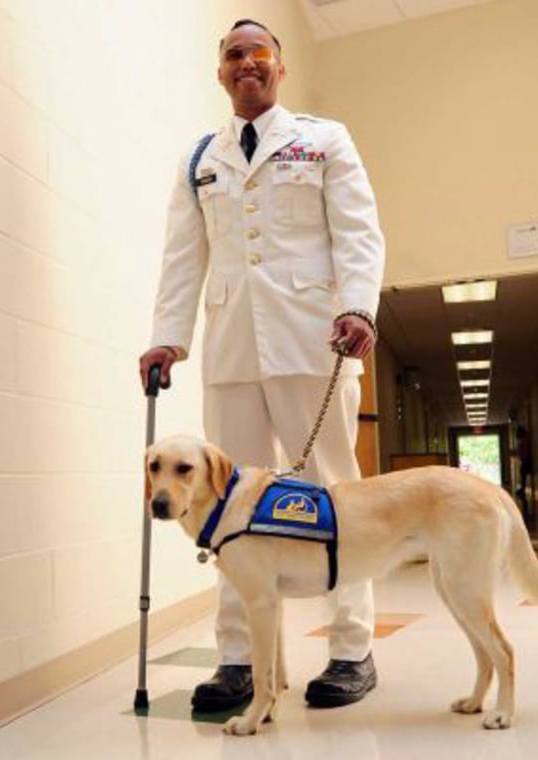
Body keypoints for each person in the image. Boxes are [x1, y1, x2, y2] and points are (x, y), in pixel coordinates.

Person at [139, 18, 385, 712]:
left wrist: (360, 308)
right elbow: (183, 257)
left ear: (279, 67)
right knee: (225, 508)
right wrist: (167, 337)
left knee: (334, 492)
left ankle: (350, 648)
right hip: (232, 351)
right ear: (221, 72)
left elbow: (359, 231)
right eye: (232, 54)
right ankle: (239, 661)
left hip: (316, 339)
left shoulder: (324, 139)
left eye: (258, 51)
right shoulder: (200, 160)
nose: (246, 61)